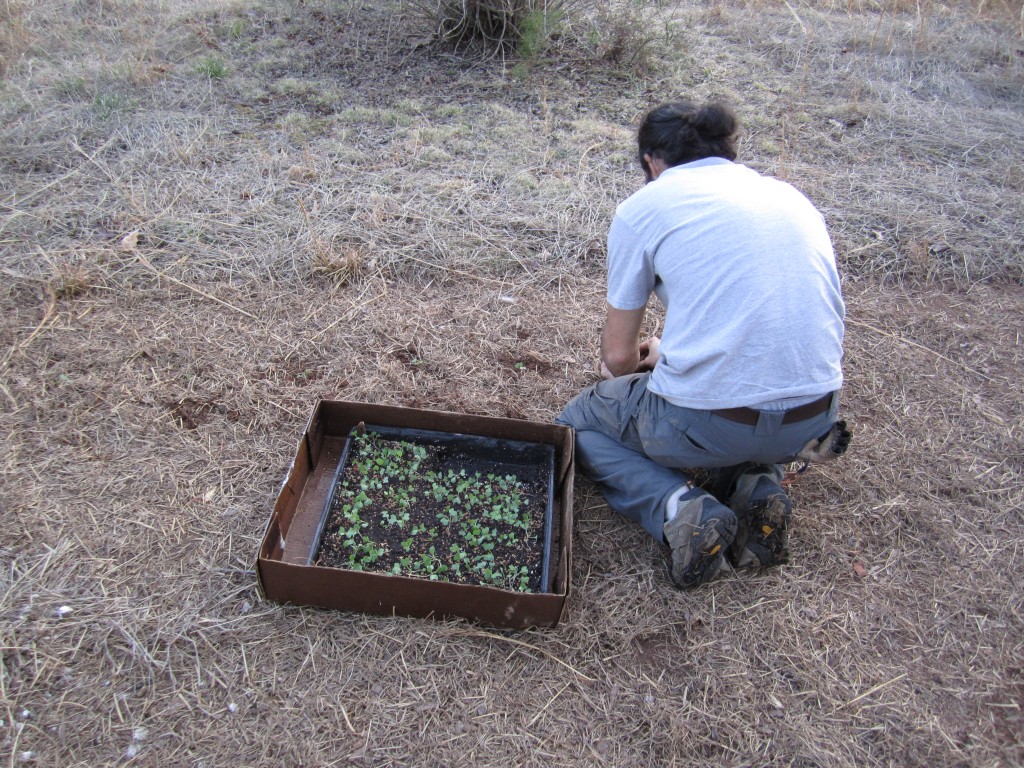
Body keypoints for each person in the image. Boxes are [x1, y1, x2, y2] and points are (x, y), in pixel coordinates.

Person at [556, 99, 847, 589]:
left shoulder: (644, 208)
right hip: (811, 416)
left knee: (578, 425)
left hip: (709, 424)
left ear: (651, 162)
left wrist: (629, 373)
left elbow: (618, 358)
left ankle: (681, 509)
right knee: (743, 407)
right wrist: (667, 352)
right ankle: (757, 485)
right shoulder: (790, 197)